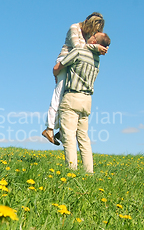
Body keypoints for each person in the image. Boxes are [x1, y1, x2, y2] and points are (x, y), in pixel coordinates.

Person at [42, 13, 107, 145]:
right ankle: (49, 128)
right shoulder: (74, 28)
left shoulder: (90, 34)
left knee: (70, 97)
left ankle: (62, 130)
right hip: (65, 60)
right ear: (87, 22)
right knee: (59, 93)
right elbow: (78, 48)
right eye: (92, 29)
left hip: (77, 63)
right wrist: (95, 47)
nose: (92, 33)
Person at [54, 32, 111, 173]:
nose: (90, 35)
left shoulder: (79, 52)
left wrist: (56, 72)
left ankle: (72, 171)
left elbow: (59, 67)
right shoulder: (97, 58)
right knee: (83, 138)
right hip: (87, 101)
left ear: (94, 40)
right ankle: (89, 172)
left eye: (93, 35)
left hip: (72, 97)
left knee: (69, 137)